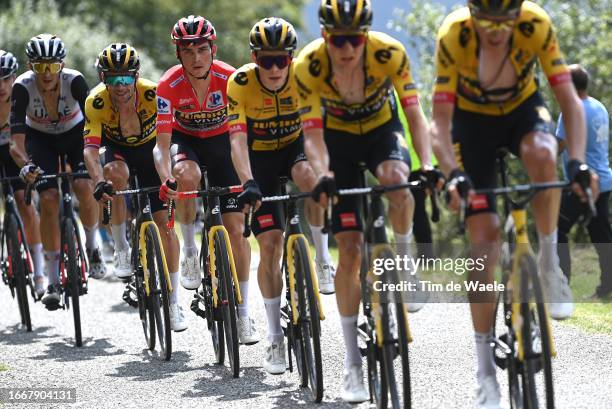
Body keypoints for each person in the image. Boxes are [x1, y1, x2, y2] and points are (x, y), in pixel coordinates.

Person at [430, 1, 598, 407]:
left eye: (505, 20)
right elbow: (439, 122)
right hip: (470, 124)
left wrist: (576, 162)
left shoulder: (536, 23)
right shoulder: (454, 34)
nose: (497, 29)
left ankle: (549, 263)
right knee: (483, 240)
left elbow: (569, 103)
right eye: (486, 20)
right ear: (473, 15)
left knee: (544, 154)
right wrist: (452, 172)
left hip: (523, 110)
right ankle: (484, 367)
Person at [294, 0, 438, 402]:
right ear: (326, 36)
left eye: (354, 38)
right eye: (338, 38)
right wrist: (323, 175)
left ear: (366, 35)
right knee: (352, 251)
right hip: (336, 141)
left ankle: (406, 265)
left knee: (398, 181)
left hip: (381, 130)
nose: (346, 47)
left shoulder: (389, 52)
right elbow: (313, 135)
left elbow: (414, 111)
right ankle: (352, 364)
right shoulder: (309, 65)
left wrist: (425, 163)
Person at [227, 17, 335, 373]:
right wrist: (247, 181)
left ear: (292, 58)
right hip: (258, 160)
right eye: (265, 60)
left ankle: (321, 257)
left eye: (281, 60)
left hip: (293, 150)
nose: (273, 68)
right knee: (270, 244)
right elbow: (237, 139)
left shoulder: (305, 76)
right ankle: (274, 336)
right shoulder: (240, 83)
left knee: (310, 179)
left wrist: (324, 172)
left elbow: (318, 131)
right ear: (254, 58)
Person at [153, 16, 255, 337]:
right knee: (187, 174)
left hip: (224, 144)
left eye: (201, 50)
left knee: (236, 230)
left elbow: (247, 135)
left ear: (213, 49)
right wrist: (166, 177)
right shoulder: (168, 86)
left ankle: (243, 313)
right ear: (178, 55)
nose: (196, 58)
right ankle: (188, 250)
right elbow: (161, 147)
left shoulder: (231, 78)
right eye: (187, 51)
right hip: (188, 144)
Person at [82, 43, 185, 331]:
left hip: (152, 151)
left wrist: (167, 176)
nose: (120, 86)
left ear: (136, 76)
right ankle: (122, 247)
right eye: (113, 79)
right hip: (118, 152)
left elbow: (167, 141)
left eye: (126, 78)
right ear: (103, 79)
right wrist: (99, 182)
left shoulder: (155, 94)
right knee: (114, 175)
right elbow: (90, 150)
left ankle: (174, 301)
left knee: (166, 226)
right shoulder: (96, 102)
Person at [10, 34, 106, 307]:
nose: (47, 72)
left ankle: (92, 244)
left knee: (84, 187)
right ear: (31, 67)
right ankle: (52, 280)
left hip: (76, 134)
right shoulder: (22, 87)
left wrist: (98, 155)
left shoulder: (74, 81)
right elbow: (16, 144)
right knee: (49, 200)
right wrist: (25, 166)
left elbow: (94, 124)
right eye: (41, 66)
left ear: (62, 65)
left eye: (53, 65)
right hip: (40, 140)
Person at [557, 64, 612, 299]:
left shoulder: (571, 109)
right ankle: (607, 286)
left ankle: (562, 286)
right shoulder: (598, 107)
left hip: (581, 183)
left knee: (557, 229)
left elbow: (558, 145)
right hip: (604, 179)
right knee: (602, 236)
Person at [0, 50, 45, 297]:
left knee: (25, 205)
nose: (1, 86)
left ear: (13, 77)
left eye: (6, 79)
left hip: (15, 152)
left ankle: (39, 273)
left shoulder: (21, 96)